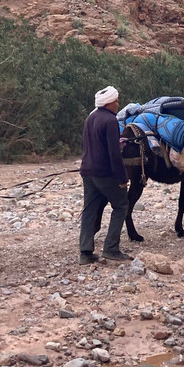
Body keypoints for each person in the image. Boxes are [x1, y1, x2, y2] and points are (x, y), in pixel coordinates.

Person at [78, 85, 132, 264]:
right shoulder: (110, 121)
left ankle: (85, 253)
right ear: (109, 103)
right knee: (121, 205)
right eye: (116, 101)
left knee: (89, 210)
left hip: (87, 171)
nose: (118, 104)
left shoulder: (90, 118)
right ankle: (111, 248)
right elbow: (114, 154)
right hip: (104, 172)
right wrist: (122, 178)